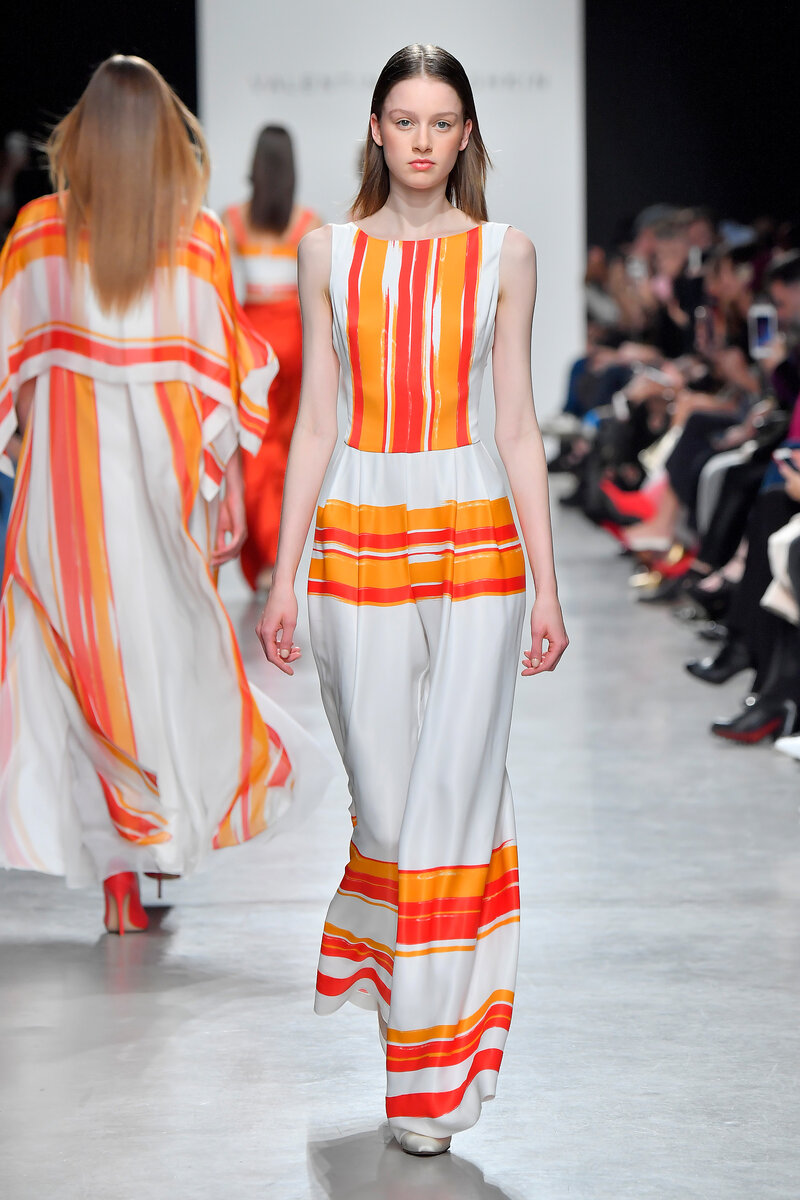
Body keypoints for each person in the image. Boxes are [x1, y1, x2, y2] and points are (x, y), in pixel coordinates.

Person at [256, 44, 568, 1156]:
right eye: (405, 120)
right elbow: (316, 422)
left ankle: (428, 1075)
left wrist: (546, 585)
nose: (423, 140)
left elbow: (517, 425)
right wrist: (282, 575)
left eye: (442, 122)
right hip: (357, 532)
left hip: (477, 537)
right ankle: (410, 985)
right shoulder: (328, 253)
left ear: (466, 133)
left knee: (452, 794)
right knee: (388, 811)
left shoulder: (504, 253)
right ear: (376, 131)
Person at [0, 57, 328, 934]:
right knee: (160, 661)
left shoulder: (36, 234)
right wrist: (228, 494)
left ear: (82, 134)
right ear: (165, 137)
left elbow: (15, 376)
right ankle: (155, 838)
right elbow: (222, 385)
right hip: (160, 492)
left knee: (77, 667)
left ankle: (121, 872)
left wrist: (29, 450)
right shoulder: (193, 239)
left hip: (61, 499)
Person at [224, 127, 321, 593]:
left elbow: (223, 291)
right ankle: (277, 556)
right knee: (285, 447)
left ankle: (265, 555)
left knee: (253, 446)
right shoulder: (309, 224)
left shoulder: (231, 221)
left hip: (252, 344)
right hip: (294, 344)